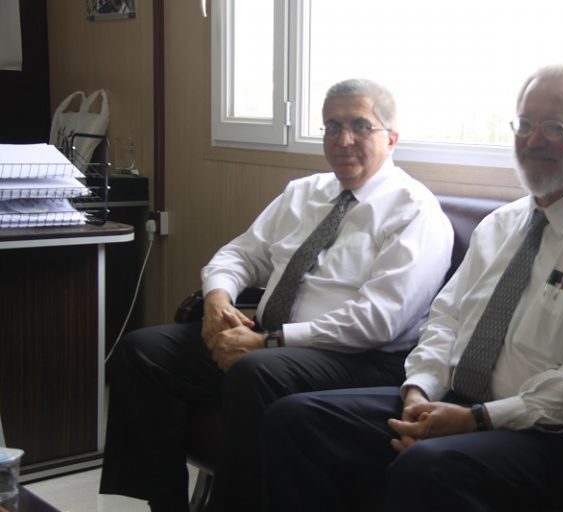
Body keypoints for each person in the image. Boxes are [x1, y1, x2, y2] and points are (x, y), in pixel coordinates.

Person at [261, 65, 563, 511]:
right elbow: (446, 319)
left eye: (555, 127)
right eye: (525, 124)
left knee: (426, 466)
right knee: (295, 420)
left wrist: (478, 420)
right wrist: (419, 392)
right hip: (458, 403)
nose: (534, 140)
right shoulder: (499, 226)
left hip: (560, 436)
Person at [99, 78, 454, 512]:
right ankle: (166, 505)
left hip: (359, 358)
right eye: (332, 126)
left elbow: (379, 320)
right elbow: (241, 254)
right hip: (271, 340)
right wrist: (217, 300)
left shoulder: (414, 210)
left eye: (360, 126)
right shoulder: (304, 193)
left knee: (254, 370)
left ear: (391, 138)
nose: (343, 140)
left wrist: (269, 342)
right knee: (142, 351)